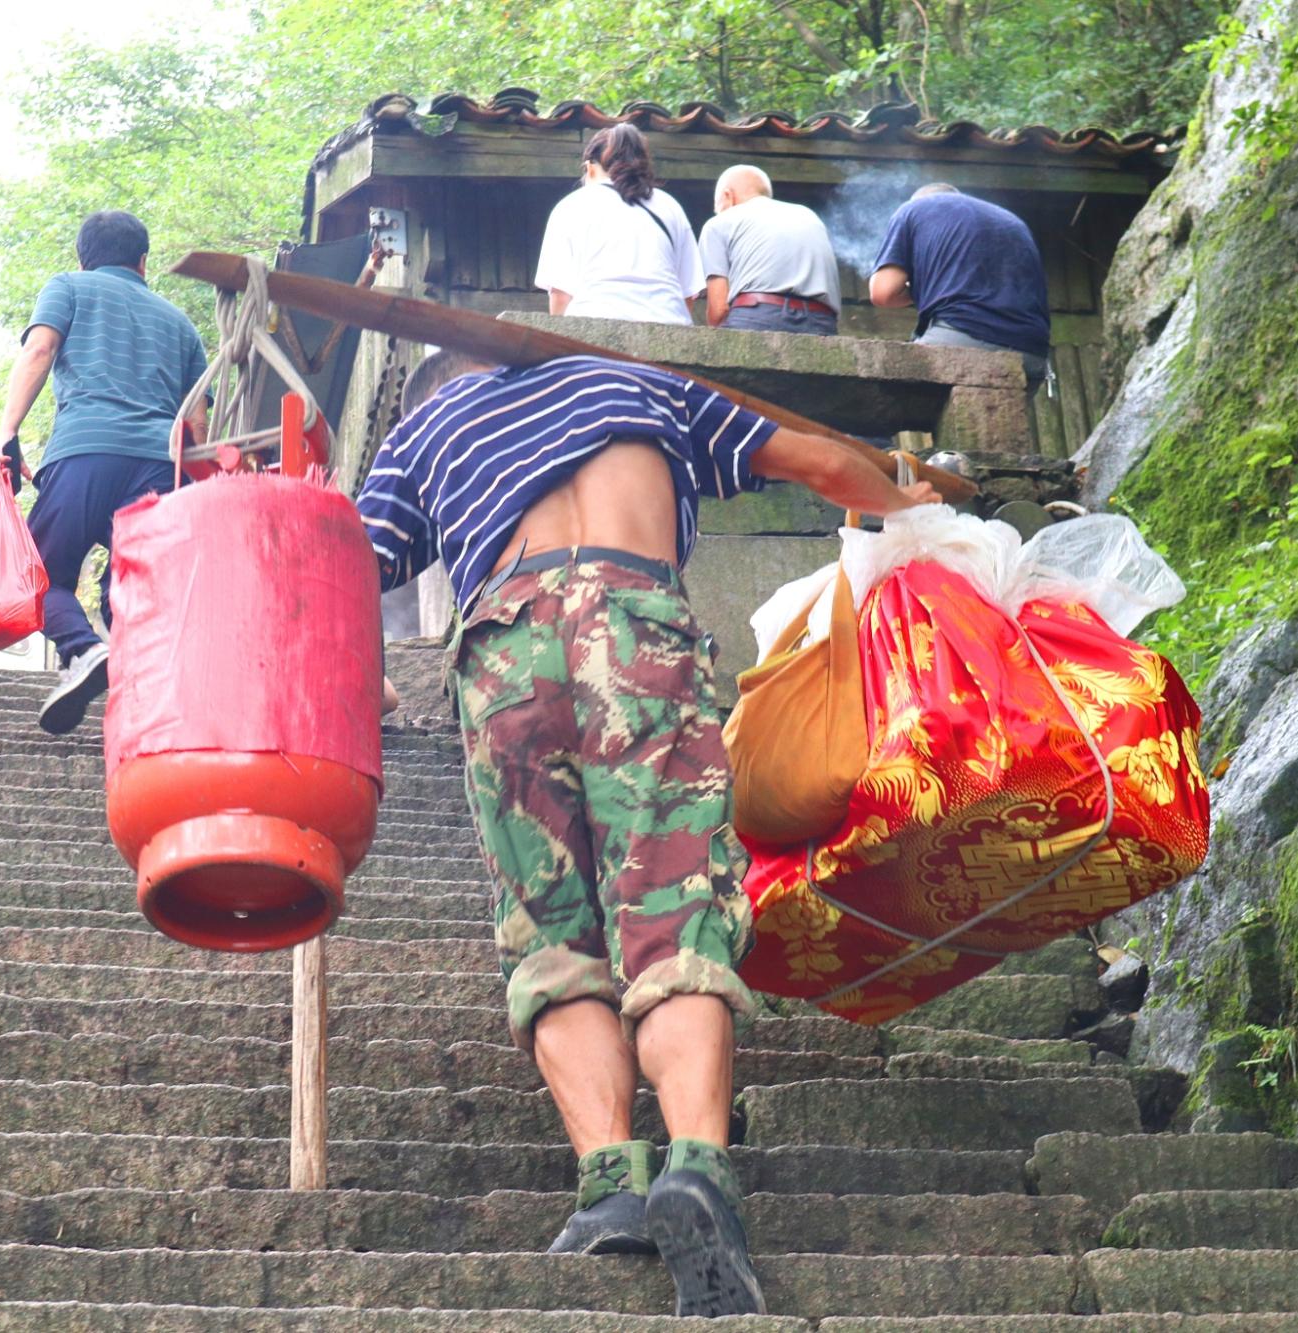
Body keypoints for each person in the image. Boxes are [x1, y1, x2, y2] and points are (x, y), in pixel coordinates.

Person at [356, 350, 937, 1317]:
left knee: (551, 938)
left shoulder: (422, 431)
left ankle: (609, 1186)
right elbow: (825, 467)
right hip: (636, 622)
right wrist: (905, 492)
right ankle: (698, 1170)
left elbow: (338, 565)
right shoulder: (626, 382)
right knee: (672, 915)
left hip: (502, 652)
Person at [0, 209, 209, 734]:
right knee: (134, 592)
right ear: (143, 262)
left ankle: (84, 651)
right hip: (163, 467)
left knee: (39, 573)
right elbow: (198, 423)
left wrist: (8, 432)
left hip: (85, 450)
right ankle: (143, 709)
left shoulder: (68, 287)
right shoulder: (180, 324)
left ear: (82, 257)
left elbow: (40, 348)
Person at [869, 182, 1051, 388]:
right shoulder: (1012, 220)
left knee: (889, 400)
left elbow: (882, 293)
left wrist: (919, 284)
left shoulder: (912, 209)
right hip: (1032, 355)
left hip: (962, 339)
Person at [535, 125, 702, 326]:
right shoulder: (670, 206)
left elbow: (560, 295)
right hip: (669, 324)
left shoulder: (571, 206)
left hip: (593, 324)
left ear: (590, 167)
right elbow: (688, 294)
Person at [699, 165, 842, 336]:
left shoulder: (718, 223)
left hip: (757, 316)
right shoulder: (809, 216)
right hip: (821, 322)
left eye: (718, 208)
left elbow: (719, 310)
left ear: (728, 196)